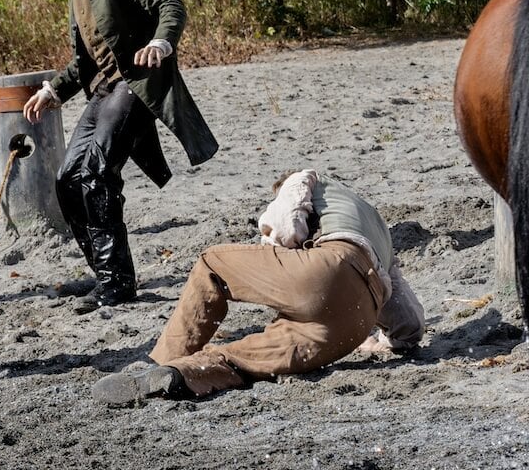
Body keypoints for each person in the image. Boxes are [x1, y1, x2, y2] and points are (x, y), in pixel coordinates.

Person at [23, 0, 218, 313]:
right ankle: (106, 274)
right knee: (66, 179)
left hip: (135, 83)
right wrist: (53, 91)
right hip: (102, 89)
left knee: (95, 173)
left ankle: (116, 283)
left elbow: (170, 5)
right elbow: (86, 59)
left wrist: (160, 42)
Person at [92, 170, 426, 404]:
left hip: (325, 270)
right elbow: (410, 324)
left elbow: (284, 229)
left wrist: (277, 271)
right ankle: (180, 374)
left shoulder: (305, 179)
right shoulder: (381, 233)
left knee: (212, 264)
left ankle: (166, 358)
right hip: (356, 321)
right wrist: (383, 343)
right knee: (247, 359)